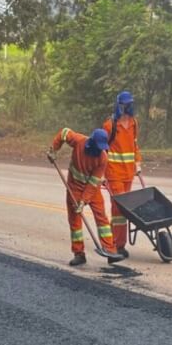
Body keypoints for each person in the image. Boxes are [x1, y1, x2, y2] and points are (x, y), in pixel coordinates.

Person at [49, 127, 122, 266]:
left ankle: (110, 251)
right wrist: (53, 149)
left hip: (91, 189)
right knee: (75, 221)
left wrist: (84, 201)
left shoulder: (103, 158)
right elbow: (64, 132)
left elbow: (93, 183)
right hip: (74, 187)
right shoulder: (79, 141)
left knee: (102, 218)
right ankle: (79, 254)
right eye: (98, 147)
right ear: (92, 143)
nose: (100, 151)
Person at [102, 91, 142, 257]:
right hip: (114, 173)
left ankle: (118, 243)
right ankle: (117, 245)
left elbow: (134, 145)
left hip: (128, 174)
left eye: (129, 104)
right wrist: (102, 173)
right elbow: (102, 151)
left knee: (125, 211)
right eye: (124, 104)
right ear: (119, 105)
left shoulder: (133, 123)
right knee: (118, 210)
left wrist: (137, 162)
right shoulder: (109, 125)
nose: (127, 107)